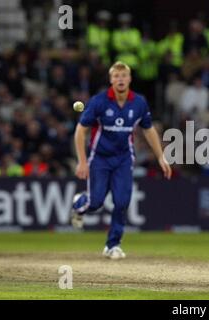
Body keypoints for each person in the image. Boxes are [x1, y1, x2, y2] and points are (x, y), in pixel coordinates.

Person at [70, 61, 172, 260]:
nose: (120, 79)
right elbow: (80, 131)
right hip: (99, 158)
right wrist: (82, 162)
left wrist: (161, 156)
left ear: (130, 79)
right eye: (116, 76)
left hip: (124, 159)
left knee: (122, 201)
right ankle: (79, 203)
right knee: (96, 202)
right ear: (111, 80)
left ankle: (112, 245)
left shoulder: (139, 103)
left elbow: (148, 129)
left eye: (124, 76)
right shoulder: (99, 101)